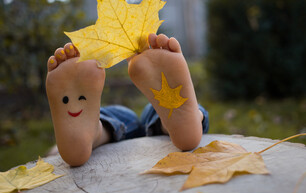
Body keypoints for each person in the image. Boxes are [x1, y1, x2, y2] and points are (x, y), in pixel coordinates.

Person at [46, 33, 209, 166]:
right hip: (159, 116)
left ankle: (98, 132)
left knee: (115, 116)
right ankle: (174, 122)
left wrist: (53, 151)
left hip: (119, 126)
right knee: (153, 112)